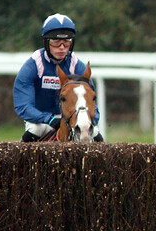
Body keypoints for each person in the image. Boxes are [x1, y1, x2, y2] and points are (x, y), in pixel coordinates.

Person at [13, 13, 104, 142]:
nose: (62, 48)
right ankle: (20, 162)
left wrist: (89, 119)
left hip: (72, 117)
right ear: (46, 42)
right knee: (35, 130)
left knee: (95, 134)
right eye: (56, 42)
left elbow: (92, 101)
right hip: (40, 120)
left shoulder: (77, 66)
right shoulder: (33, 65)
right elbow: (23, 105)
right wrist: (48, 119)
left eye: (66, 42)